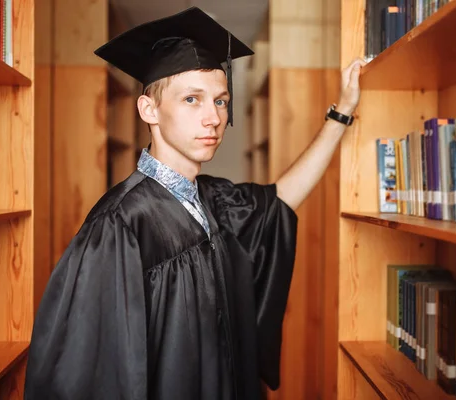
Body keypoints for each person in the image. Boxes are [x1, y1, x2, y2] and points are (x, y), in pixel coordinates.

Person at [23, 6, 365, 400]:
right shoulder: (120, 226)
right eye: (191, 99)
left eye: (220, 101)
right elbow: (90, 374)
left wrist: (342, 111)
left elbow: (281, 198)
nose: (213, 118)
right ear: (149, 109)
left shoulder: (211, 199)